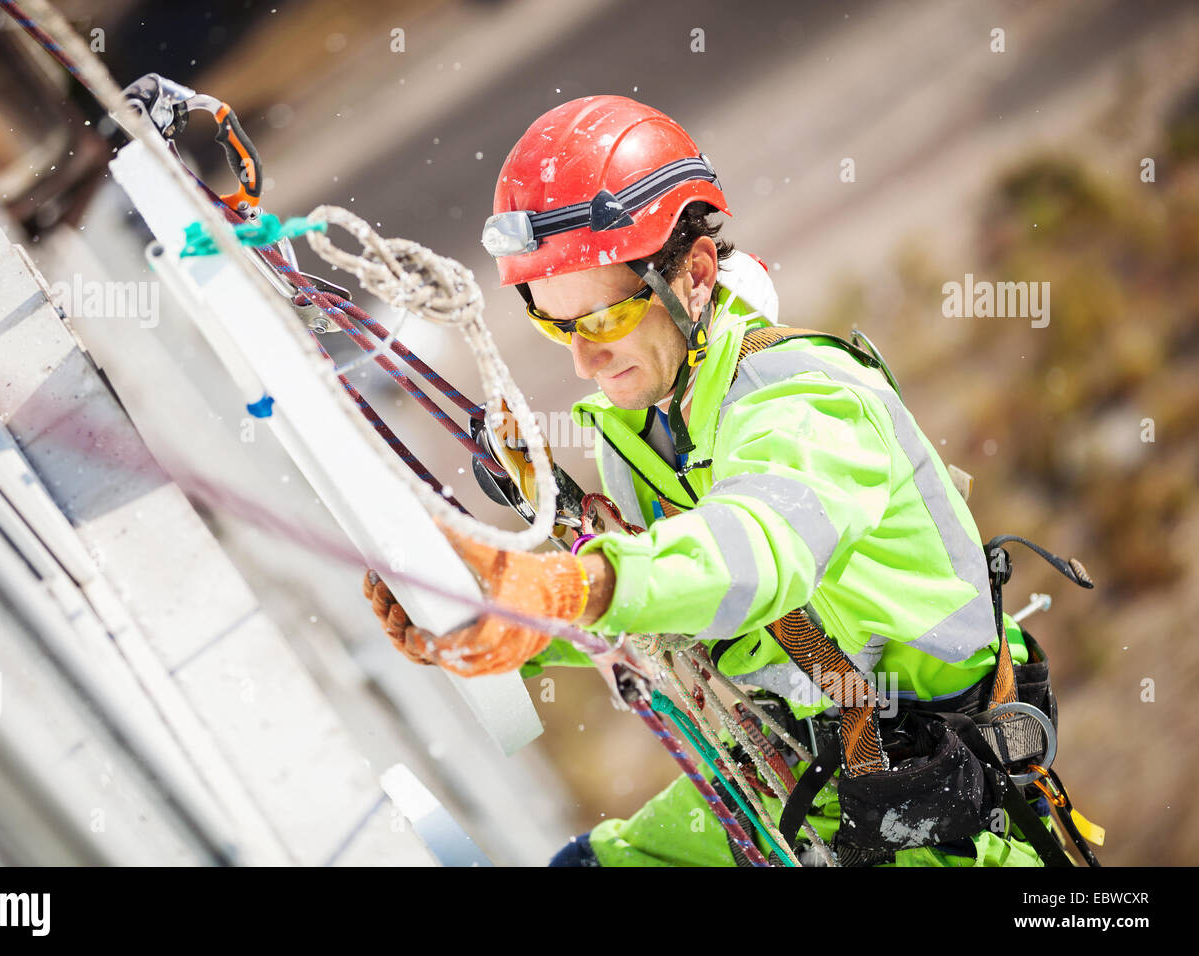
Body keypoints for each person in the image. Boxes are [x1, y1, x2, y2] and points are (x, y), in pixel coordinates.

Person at [363, 95, 1060, 867]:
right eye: (555, 324)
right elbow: (674, 615)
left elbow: (752, 554)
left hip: (928, 822)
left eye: (600, 320)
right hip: (802, 780)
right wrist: (494, 618)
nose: (581, 360)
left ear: (693, 273)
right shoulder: (643, 429)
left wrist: (565, 586)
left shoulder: (808, 401)